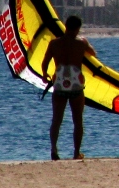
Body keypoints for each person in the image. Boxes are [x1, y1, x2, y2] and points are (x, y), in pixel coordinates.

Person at [41, 15, 96, 160]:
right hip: (75, 84)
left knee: (56, 119)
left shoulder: (54, 43)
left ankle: (54, 150)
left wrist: (44, 75)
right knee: (77, 120)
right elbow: (93, 54)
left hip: (59, 83)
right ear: (78, 28)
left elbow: (45, 63)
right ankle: (76, 152)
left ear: (65, 25)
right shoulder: (81, 43)